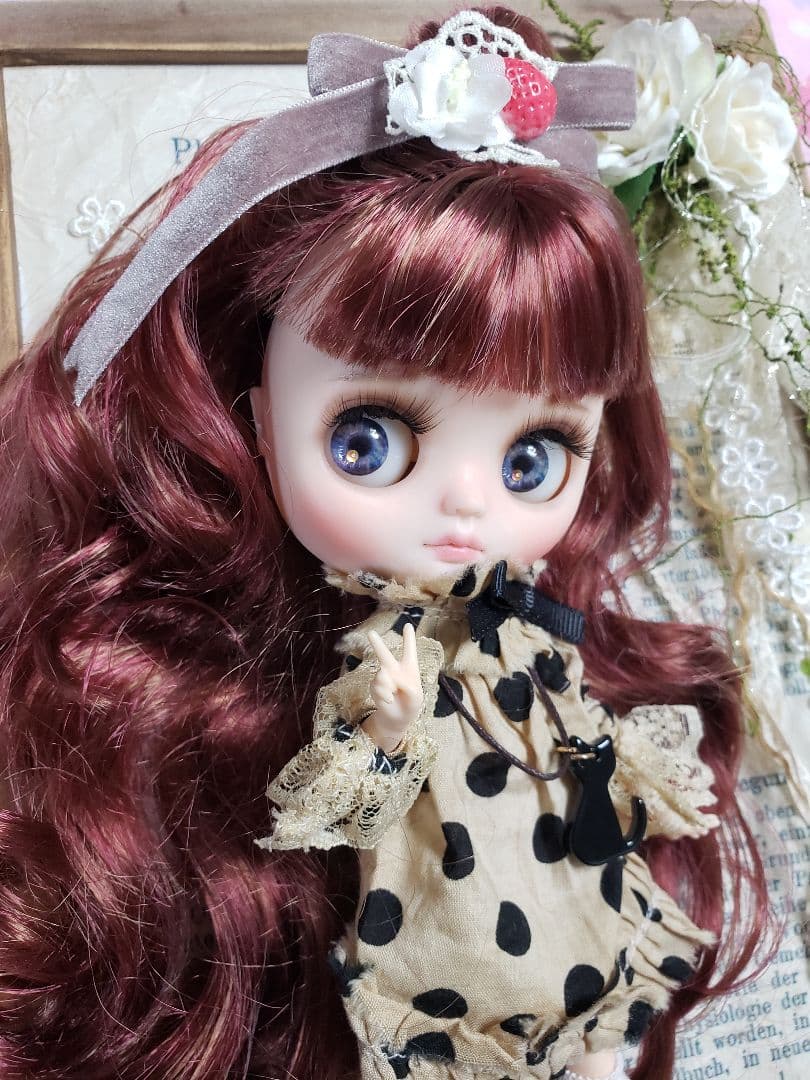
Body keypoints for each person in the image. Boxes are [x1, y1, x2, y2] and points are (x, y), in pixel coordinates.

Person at [0, 6, 769, 1079]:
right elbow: (342, 808)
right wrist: (390, 725)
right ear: (254, 420)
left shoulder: (528, 622)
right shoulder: (321, 676)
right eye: (369, 440)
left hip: (569, 902)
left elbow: (572, 731)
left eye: (535, 457)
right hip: (441, 952)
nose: (467, 508)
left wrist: (633, 771)